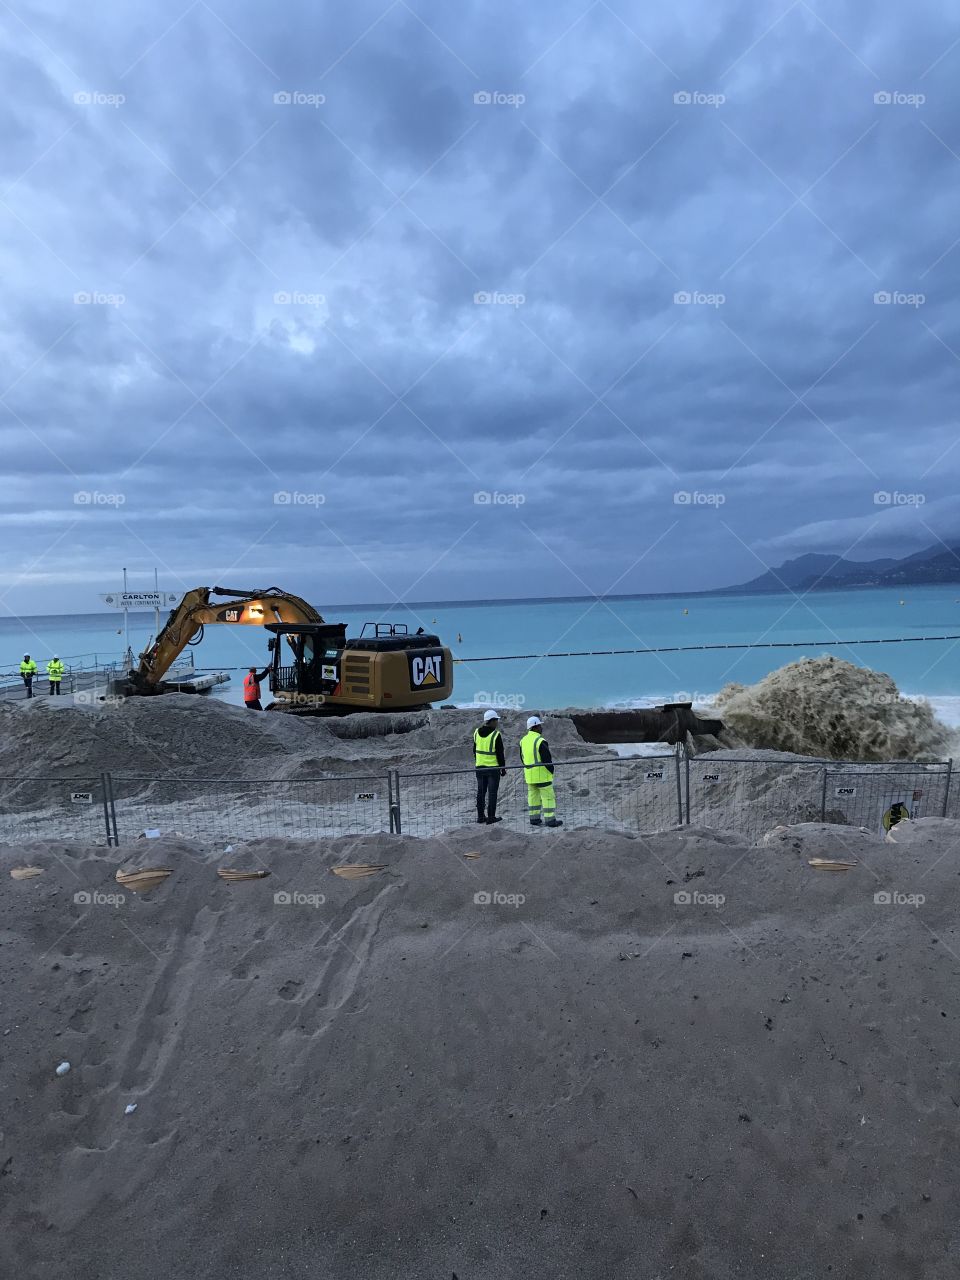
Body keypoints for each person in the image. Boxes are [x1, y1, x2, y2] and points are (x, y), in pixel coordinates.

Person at [520, 715, 562, 827]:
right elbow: (547, 759)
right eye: (540, 726)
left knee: (533, 798)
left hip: (529, 775)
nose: (541, 728)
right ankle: (550, 820)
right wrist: (551, 771)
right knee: (548, 797)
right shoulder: (540, 740)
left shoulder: (523, 741)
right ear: (535, 727)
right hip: (542, 775)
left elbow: (522, 757)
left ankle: (534, 819)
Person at [473, 708, 506, 824]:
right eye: (496, 720)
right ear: (491, 721)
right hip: (493, 769)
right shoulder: (496, 735)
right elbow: (500, 753)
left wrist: (478, 762)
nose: (497, 722)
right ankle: (491, 817)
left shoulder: (476, 732)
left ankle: (480, 817)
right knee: (492, 793)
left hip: (480, 768)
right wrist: (503, 768)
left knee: (480, 793)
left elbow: (474, 750)